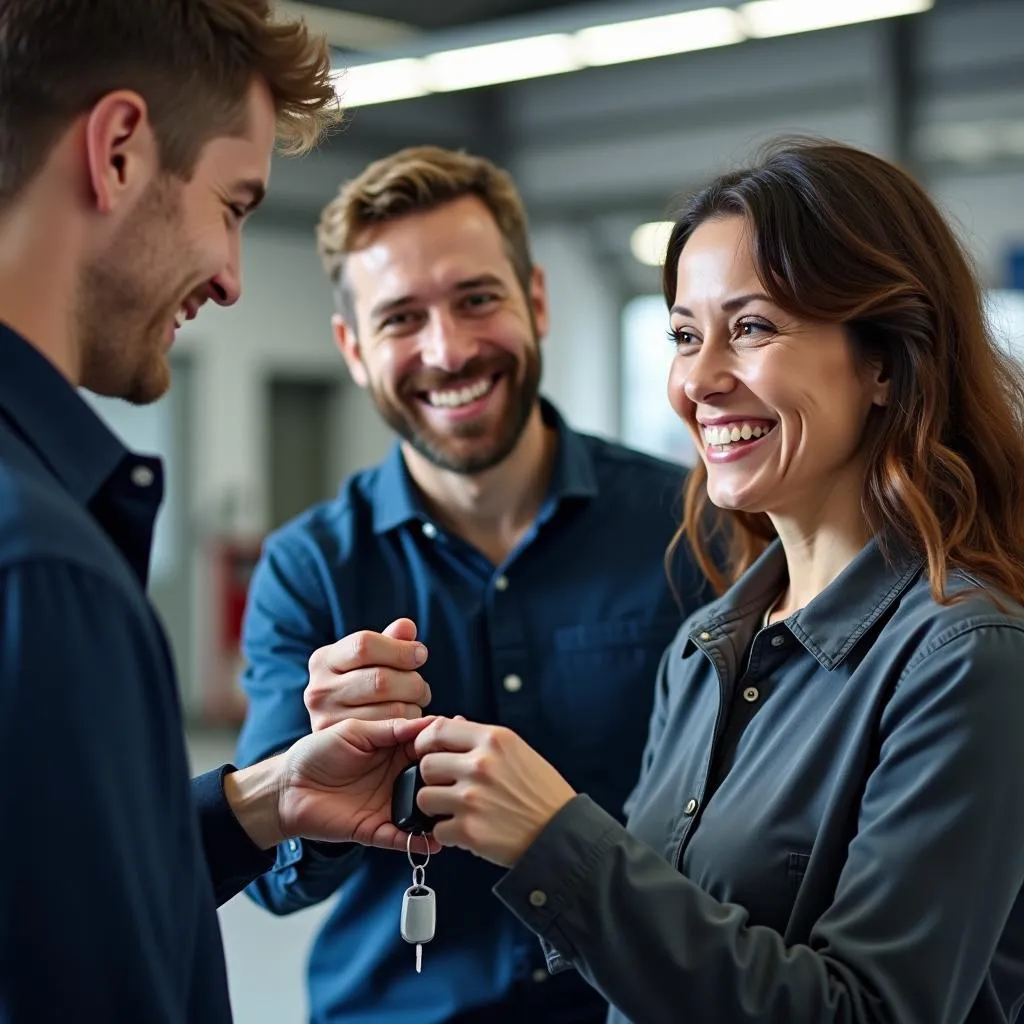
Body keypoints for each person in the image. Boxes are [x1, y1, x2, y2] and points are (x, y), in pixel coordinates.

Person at [406, 138, 1024, 1023]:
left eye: (753, 328)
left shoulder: (968, 660)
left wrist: (560, 842)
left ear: (884, 360)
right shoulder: (705, 652)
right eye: (685, 336)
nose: (698, 380)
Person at [0, 2, 436, 1021]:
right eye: (234, 205)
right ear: (115, 153)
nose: (234, 280)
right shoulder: (43, 568)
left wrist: (263, 800)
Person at [234, 145, 713, 1023]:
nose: (448, 350)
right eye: (401, 319)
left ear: (534, 300)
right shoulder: (309, 570)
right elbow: (268, 883)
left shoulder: (693, 526)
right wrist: (317, 782)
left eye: (476, 299)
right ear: (351, 347)